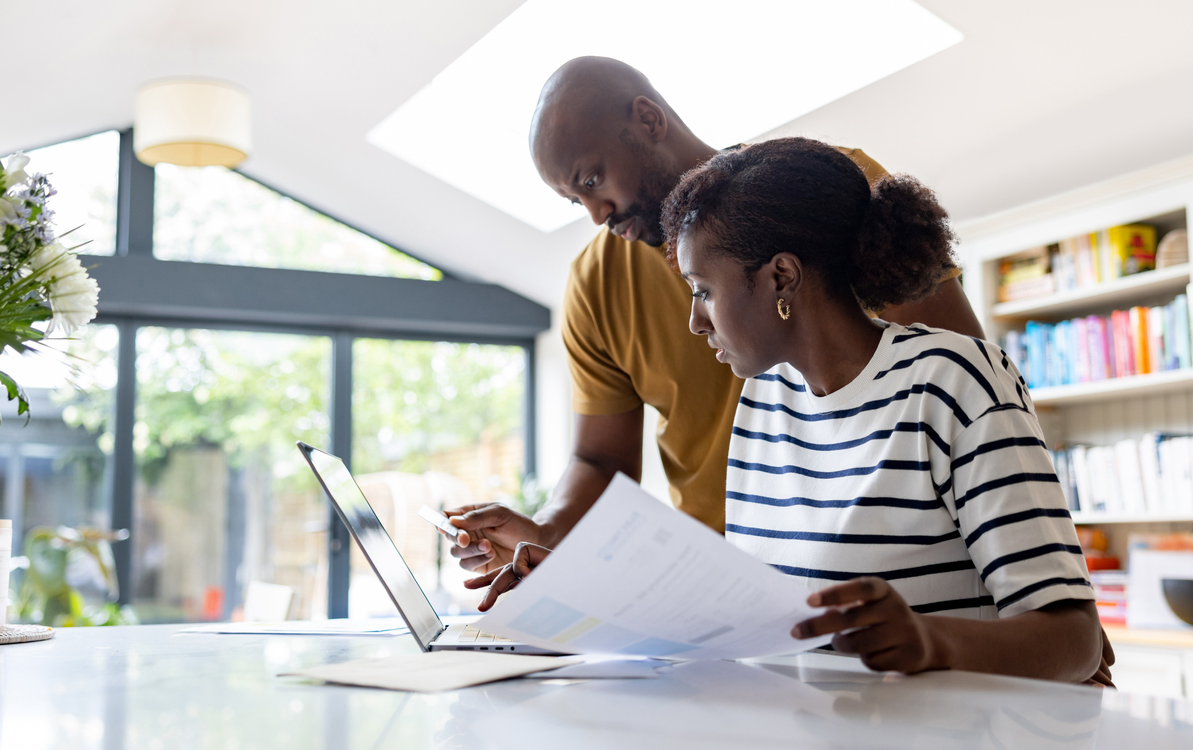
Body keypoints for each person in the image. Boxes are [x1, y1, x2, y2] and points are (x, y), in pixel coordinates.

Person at [471, 138, 1106, 684]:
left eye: (704, 291)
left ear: (780, 278)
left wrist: (929, 642)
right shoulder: (764, 404)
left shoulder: (954, 380)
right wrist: (574, 590)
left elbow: (1073, 642)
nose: (695, 321)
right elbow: (753, 617)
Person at [444, 57, 984, 576]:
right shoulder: (594, 284)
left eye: (591, 180)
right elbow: (600, 460)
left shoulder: (826, 192)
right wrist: (544, 532)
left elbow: (963, 380)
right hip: (722, 581)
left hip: (880, 554)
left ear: (648, 120)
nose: (595, 214)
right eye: (573, 201)